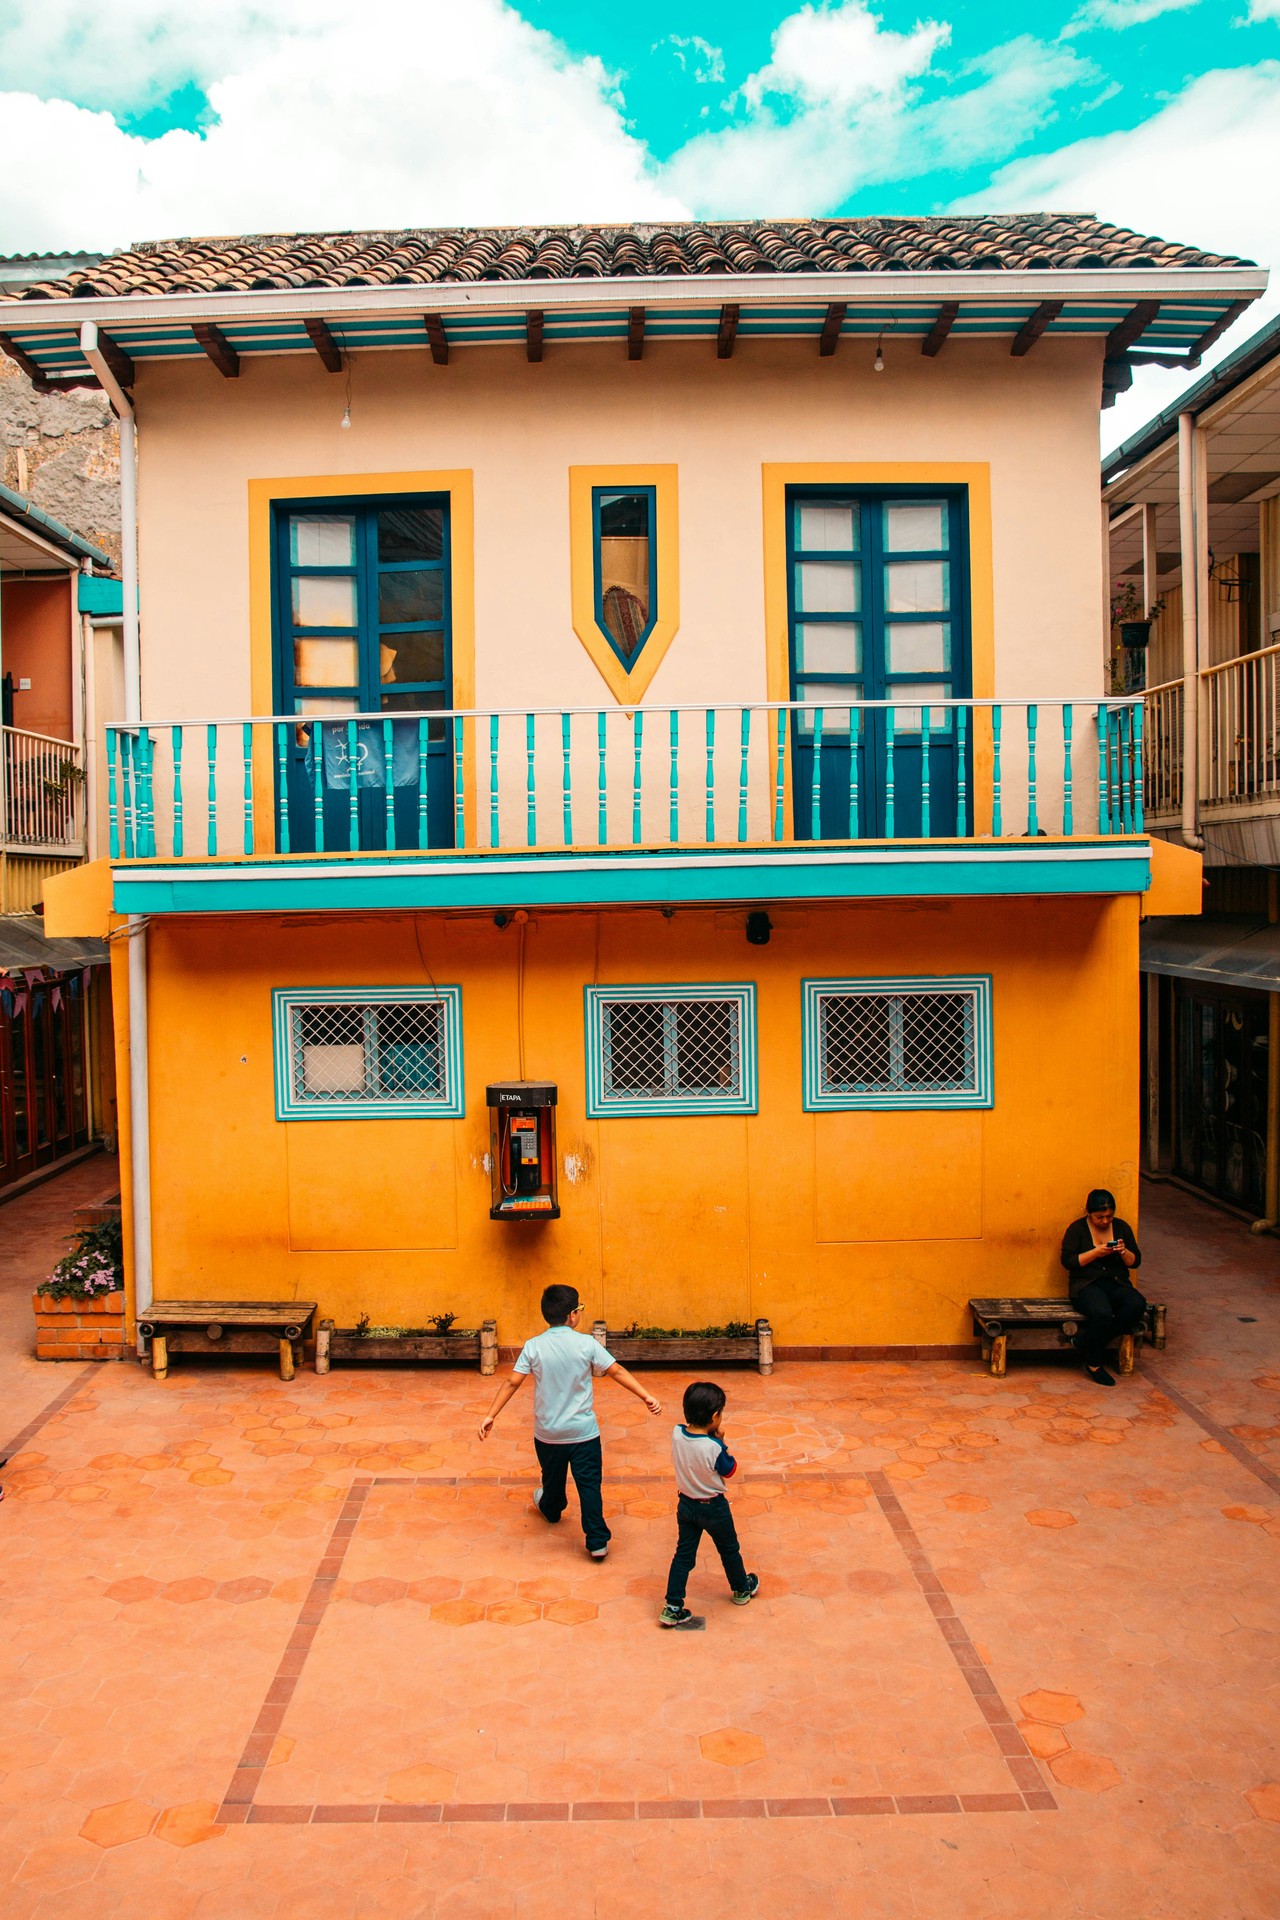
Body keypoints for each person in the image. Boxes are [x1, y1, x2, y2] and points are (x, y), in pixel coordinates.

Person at [477, 1283, 661, 1559]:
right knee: (589, 1485)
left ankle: (552, 1507)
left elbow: (511, 1382)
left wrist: (491, 1415)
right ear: (572, 1315)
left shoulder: (533, 1346)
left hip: (548, 1434)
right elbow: (617, 1371)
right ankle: (597, 1540)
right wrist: (646, 1396)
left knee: (552, 1480)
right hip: (584, 1434)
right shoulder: (587, 1344)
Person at [659, 1380, 759, 1629]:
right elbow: (730, 1469)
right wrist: (723, 1442)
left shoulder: (676, 1433)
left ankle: (672, 1607)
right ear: (715, 1417)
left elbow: (690, 1437)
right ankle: (741, 1589)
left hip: (686, 1506)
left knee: (683, 1556)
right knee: (728, 1549)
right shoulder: (713, 1447)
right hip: (714, 1508)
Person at [1059, 1188, 1146, 1387]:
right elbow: (1068, 1261)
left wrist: (1123, 1251)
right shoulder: (1077, 1229)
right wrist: (1096, 1252)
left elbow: (1135, 1262)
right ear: (1089, 1213)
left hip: (1116, 1282)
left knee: (1136, 1304)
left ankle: (1085, 1342)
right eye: (1100, 1217)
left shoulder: (1121, 1227)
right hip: (1086, 1284)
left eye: (1109, 1216)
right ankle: (1094, 1362)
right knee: (1102, 1313)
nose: (1105, 1221)